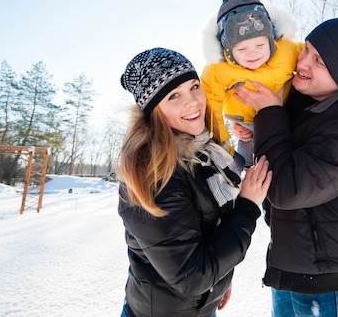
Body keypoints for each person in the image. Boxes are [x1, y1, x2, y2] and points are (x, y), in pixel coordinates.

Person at [233, 17, 338, 316]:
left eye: (320, 62)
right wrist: (257, 130)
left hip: (325, 272)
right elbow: (279, 151)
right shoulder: (305, 95)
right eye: (307, 50)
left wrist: (270, 113)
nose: (302, 64)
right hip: (292, 256)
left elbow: (285, 190)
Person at [116, 47, 272, 317]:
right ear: (154, 110)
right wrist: (247, 206)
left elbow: (206, 234)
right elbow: (192, 276)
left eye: (194, 87)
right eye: (174, 95)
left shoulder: (201, 154)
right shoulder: (154, 174)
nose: (193, 102)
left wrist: (220, 277)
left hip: (199, 307)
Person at [201, 0, 303, 167]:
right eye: (241, 48)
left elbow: (314, 57)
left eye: (260, 45)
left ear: (271, 41)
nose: (252, 53)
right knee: (244, 163)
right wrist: (223, 143)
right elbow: (211, 105)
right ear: (228, 50)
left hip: (285, 118)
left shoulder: (288, 50)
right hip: (246, 126)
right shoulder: (219, 70)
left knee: (282, 161)